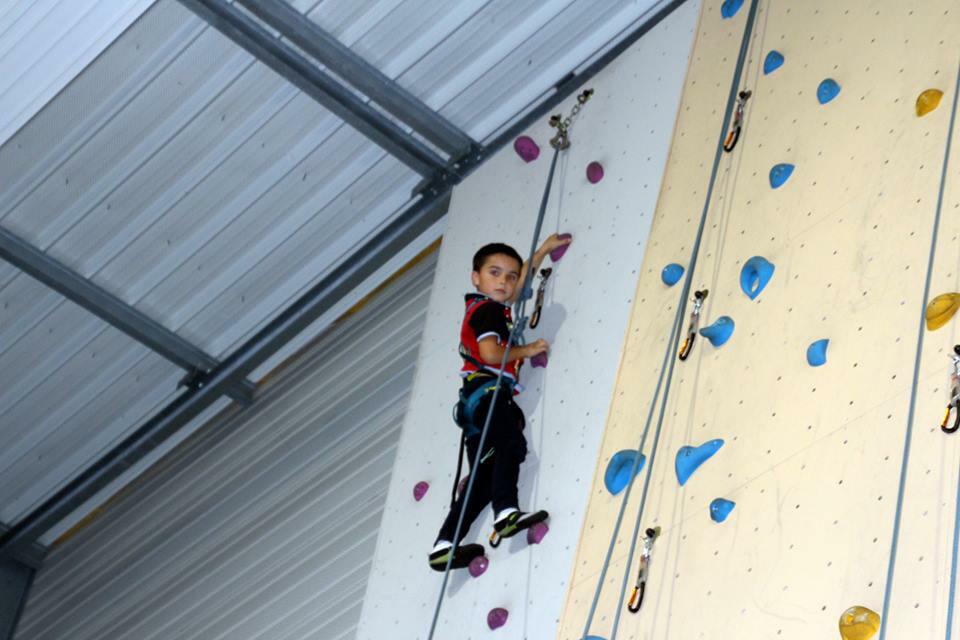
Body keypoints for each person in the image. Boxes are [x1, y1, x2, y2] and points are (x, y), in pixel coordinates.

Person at [429, 233, 572, 571]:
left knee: (482, 478)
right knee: (510, 444)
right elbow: (491, 353)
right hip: (490, 395)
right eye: (494, 273)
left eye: (510, 276)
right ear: (475, 277)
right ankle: (506, 511)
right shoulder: (490, 310)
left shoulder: (482, 308)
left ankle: (445, 544)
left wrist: (541, 252)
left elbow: (518, 291)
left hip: (474, 405)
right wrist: (528, 350)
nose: (504, 282)